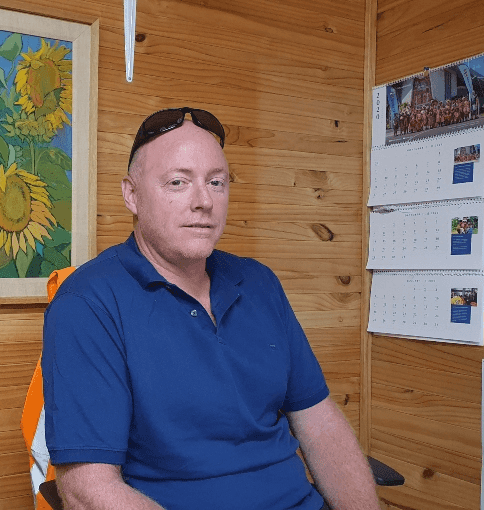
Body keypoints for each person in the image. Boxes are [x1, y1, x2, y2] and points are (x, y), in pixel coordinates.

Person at [41, 107, 381, 510]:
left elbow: (319, 421)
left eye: (216, 182)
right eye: (178, 182)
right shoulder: (87, 304)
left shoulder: (259, 283)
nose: (203, 201)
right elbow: (87, 490)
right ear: (132, 195)